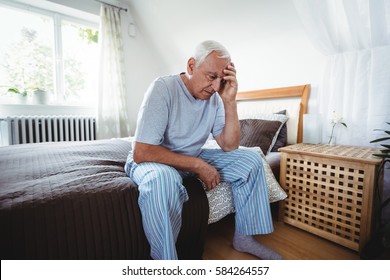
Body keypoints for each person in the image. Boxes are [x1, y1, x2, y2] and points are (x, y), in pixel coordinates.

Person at [125, 40, 282, 260]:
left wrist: (229, 101)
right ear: (191, 66)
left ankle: (245, 238)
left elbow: (230, 145)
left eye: (222, 80)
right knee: (162, 183)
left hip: (191, 154)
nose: (216, 87)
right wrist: (198, 165)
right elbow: (142, 151)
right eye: (211, 77)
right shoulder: (163, 88)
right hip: (155, 159)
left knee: (252, 158)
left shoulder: (215, 98)